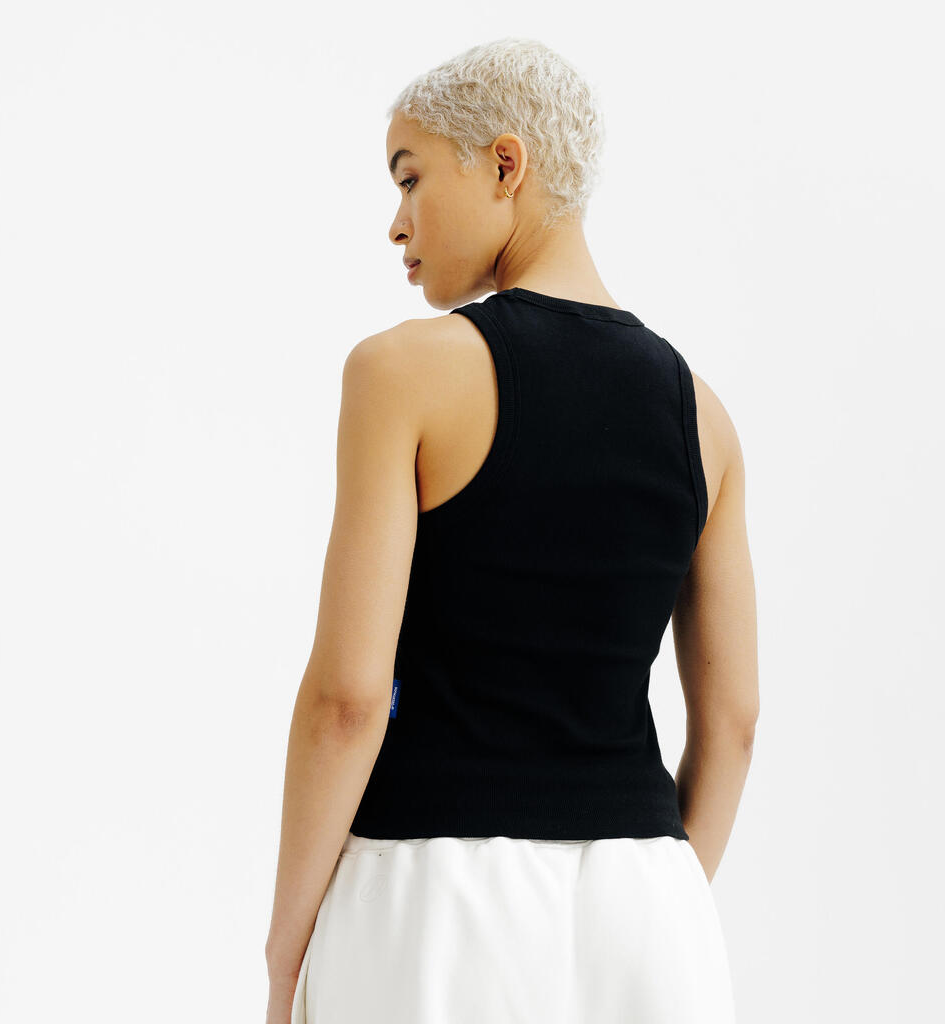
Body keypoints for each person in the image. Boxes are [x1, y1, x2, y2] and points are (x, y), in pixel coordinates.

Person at [265, 37, 758, 1024]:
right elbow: (734, 720)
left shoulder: (400, 372)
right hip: (651, 907)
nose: (396, 223)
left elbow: (349, 700)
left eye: (410, 177)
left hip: (431, 898)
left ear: (504, 164)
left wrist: (288, 950)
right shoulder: (701, 415)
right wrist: (663, 901)